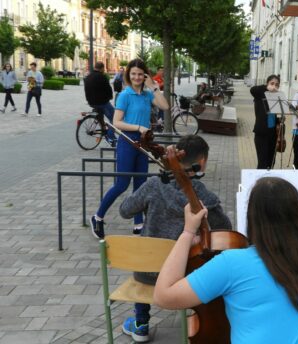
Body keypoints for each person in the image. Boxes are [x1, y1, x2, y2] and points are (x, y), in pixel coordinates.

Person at [153, 177, 298, 343]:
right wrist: (290, 203)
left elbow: (163, 296)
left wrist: (187, 233)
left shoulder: (232, 263)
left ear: (252, 218)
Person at [118, 135, 232, 343]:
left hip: (146, 272)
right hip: (182, 275)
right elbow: (226, 228)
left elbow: (125, 210)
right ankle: (198, 316)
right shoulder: (203, 197)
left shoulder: (153, 185)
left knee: (147, 254)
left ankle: (141, 323)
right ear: (202, 162)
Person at [90, 58, 169, 239]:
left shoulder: (147, 94)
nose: (137, 77)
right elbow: (116, 122)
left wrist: (154, 86)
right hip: (127, 141)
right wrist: (138, 128)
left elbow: (165, 106)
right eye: (133, 74)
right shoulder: (125, 95)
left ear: (145, 75)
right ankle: (98, 217)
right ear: (128, 75)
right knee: (121, 184)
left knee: (140, 185)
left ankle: (138, 224)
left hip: (143, 143)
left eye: (140, 74)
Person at [250, 75, 280, 169]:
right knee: (262, 163)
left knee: (271, 162)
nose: (274, 86)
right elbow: (253, 90)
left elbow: (272, 116)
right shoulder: (260, 94)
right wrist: (266, 87)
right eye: (272, 83)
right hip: (261, 133)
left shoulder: (276, 97)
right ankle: (261, 183)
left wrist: (279, 120)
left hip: (273, 134)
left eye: (277, 85)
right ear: (267, 83)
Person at [84, 62, 116, 146]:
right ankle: (110, 137)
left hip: (92, 102)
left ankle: (104, 131)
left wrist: (89, 101)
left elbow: (86, 90)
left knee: (101, 118)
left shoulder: (88, 77)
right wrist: (110, 97)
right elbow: (108, 89)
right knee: (114, 118)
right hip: (102, 102)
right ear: (102, 68)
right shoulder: (102, 77)